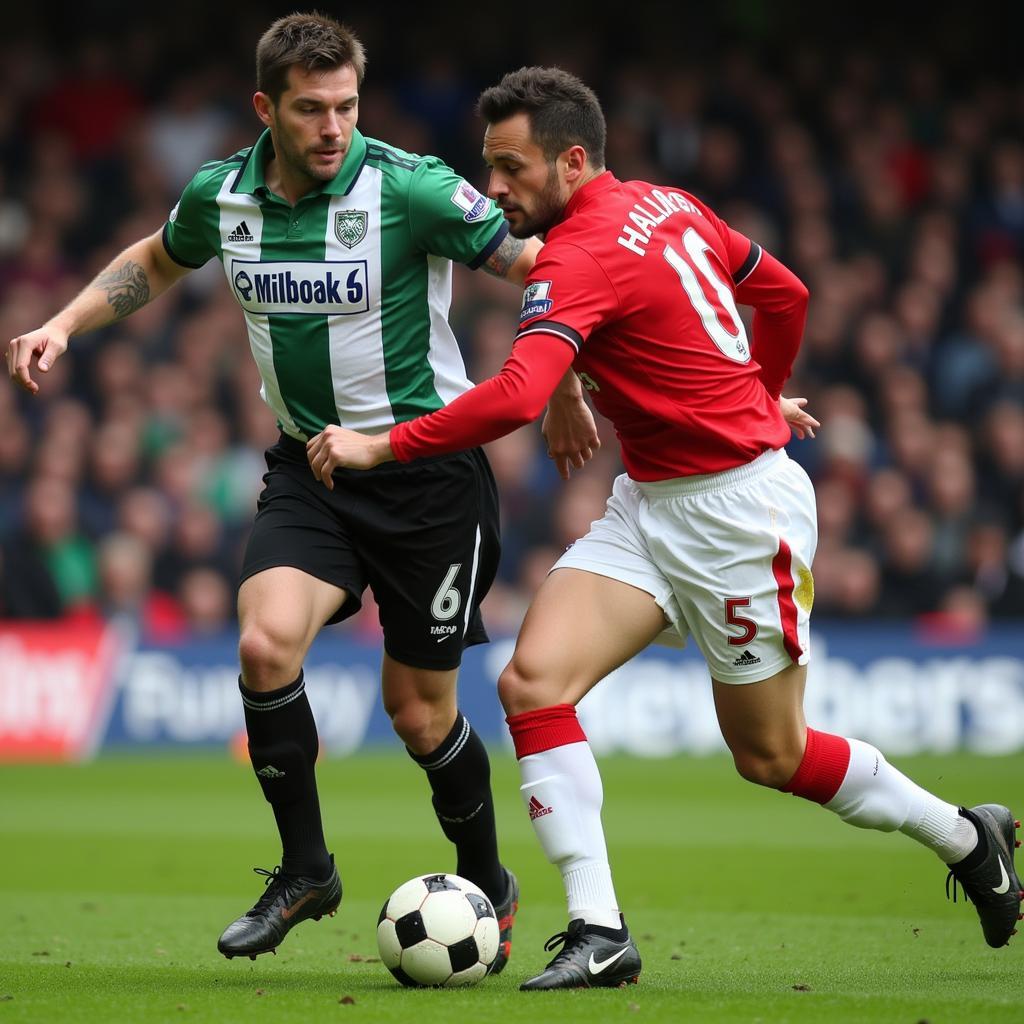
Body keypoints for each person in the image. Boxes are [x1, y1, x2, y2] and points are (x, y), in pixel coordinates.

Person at [307, 66, 1023, 990]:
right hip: (651, 503)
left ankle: (966, 836)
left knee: (772, 753)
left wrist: (382, 447)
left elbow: (520, 392)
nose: (494, 189)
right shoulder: (668, 202)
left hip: (737, 514)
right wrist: (754, 391)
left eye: (511, 169)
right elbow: (788, 295)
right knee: (531, 682)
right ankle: (598, 929)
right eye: (489, 168)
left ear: (571, 160)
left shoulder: (575, 257)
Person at [7, 15, 546, 971]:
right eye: (310, 109)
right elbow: (154, 261)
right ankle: (307, 869)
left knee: (420, 716)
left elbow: (536, 265)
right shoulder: (223, 196)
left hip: (425, 475)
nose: (334, 126)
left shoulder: (411, 186)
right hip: (313, 468)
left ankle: (488, 882)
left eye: (345, 105)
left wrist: (574, 375)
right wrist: (63, 323)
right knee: (263, 645)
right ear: (267, 108)